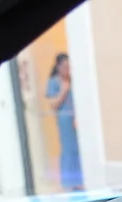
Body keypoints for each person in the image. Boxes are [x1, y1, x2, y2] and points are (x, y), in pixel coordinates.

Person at [45, 53, 84, 191]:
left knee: (78, 149)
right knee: (68, 149)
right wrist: (63, 90)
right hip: (64, 120)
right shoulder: (54, 82)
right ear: (58, 66)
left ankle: (80, 181)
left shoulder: (73, 80)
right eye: (64, 67)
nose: (67, 70)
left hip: (75, 119)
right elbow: (53, 105)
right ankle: (68, 183)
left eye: (69, 67)